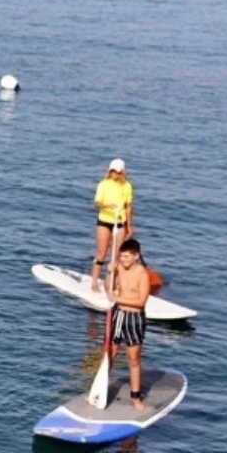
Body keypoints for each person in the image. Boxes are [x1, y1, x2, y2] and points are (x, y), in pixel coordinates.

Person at [107, 238, 150, 411]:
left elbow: (141, 302)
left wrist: (117, 298)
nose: (123, 260)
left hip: (134, 318)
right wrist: (109, 273)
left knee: (133, 359)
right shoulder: (118, 268)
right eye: (121, 256)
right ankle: (100, 389)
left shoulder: (142, 274)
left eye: (126, 257)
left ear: (136, 256)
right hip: (118, 315)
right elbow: (108, 289)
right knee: (109, 354)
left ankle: (135, 397)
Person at [90, 158, 133, 291]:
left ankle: (110, 283)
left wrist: (129, 226)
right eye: (113, 171)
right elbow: (97, 204)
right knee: (101, 254)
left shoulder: (127, 186)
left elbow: (128, 207)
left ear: (122, 172)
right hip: (105, 221)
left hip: (119, 222)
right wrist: (107, 206)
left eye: (118, 172)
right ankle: (94, 283)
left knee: (116, 256)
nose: (115, 174)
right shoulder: (103, 184)